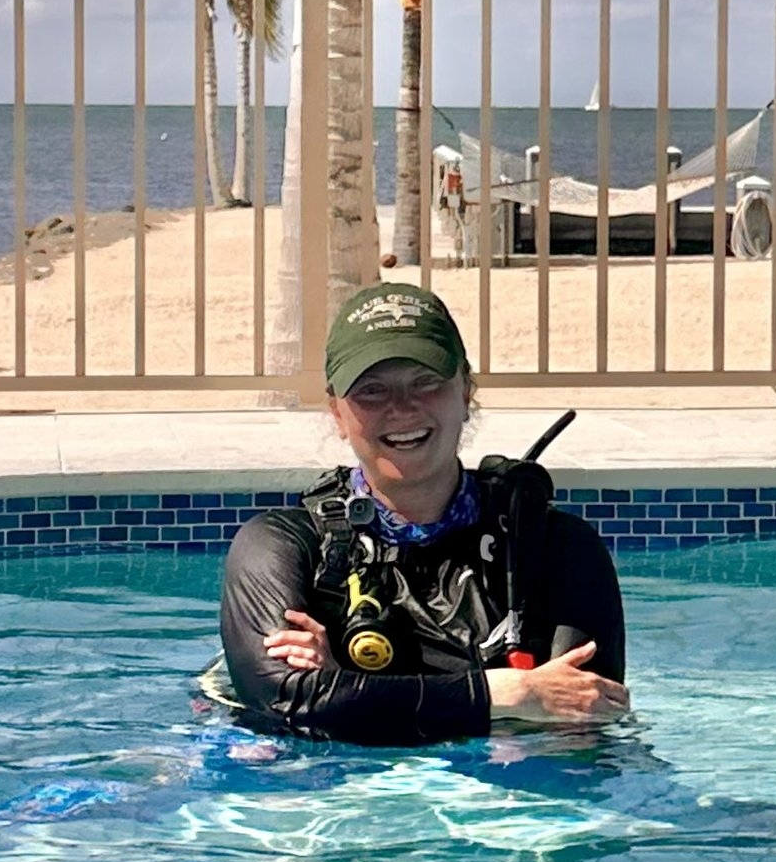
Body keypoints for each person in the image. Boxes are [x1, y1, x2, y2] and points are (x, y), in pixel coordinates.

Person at [214, 282, 628, 745]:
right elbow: (286, 703)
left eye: (425, 381)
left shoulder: (555, 547)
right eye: (371, 391)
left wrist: (345, 689)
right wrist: (503, 693)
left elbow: (583, 718)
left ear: (466, 392)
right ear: (336, 410)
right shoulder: (283, 546)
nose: (402, 408)